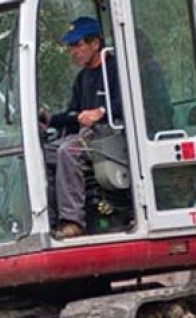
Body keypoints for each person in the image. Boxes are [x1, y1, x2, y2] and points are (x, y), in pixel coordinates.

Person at [40, 16, 123, 239]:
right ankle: (50, 218)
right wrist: (49, 120)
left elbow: (129, 101)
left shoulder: (116, 69)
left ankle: (73, 221)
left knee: (68, 151)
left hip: (113, 135)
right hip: (88, 136)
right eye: (71, 46)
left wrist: (101, 112)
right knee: (43, 152)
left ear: (95, 43)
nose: (73, 51)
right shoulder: (82, 78)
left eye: (78, 45)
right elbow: (73, 115)